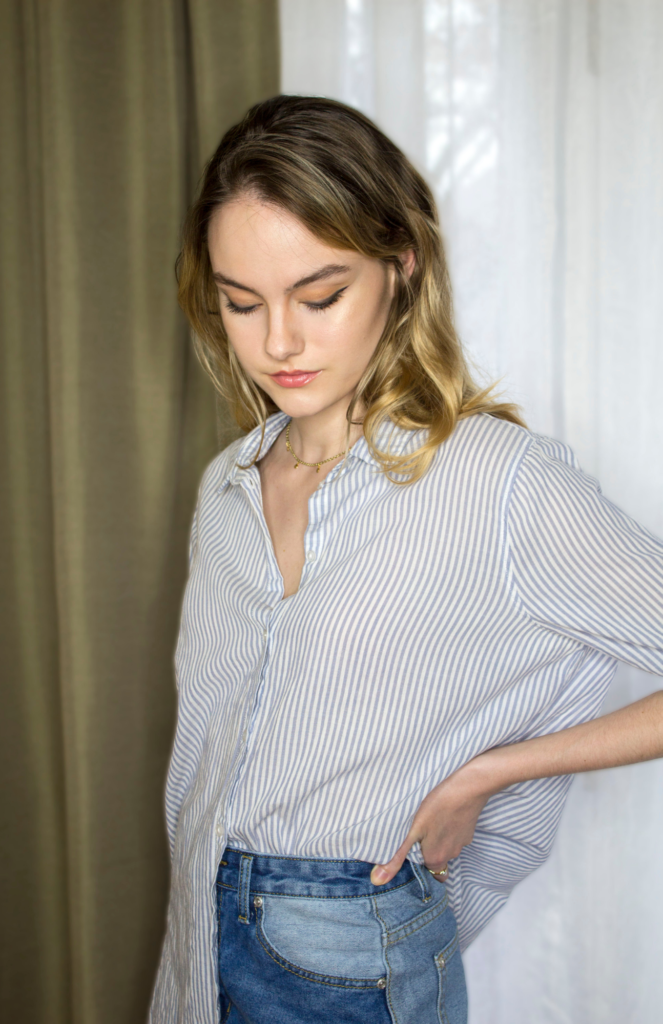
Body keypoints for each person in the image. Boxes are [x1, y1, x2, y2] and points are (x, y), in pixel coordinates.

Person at [149, 95, 663, 1024]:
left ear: (401, 266)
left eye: (319, 295)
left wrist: (488, 772)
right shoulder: (224, 488)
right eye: (239, 302)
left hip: (350, 951)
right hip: (194, 937)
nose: (278, 342)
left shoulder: (497, 481)